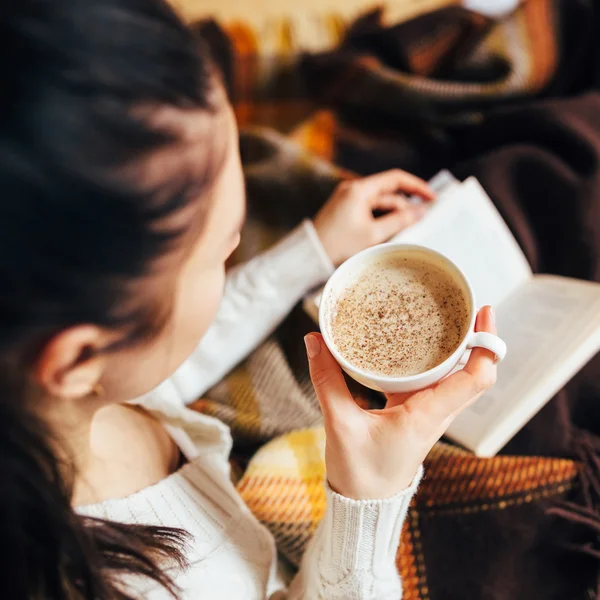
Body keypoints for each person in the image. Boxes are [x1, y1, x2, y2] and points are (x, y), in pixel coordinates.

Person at [0, 0, 498, 598]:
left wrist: (314, 250)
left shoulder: (53, 392)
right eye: (220, 255)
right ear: (79, 360)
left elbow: (164, 368)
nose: (237, 246)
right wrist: (369, 496)